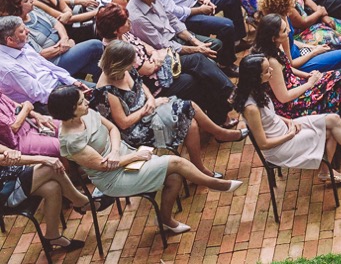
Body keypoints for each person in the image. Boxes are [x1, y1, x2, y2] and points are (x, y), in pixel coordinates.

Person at [49, 85, 241, 235]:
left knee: (174, 177)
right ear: (71, 110)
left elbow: (113, 129)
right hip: (113, 177)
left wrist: (116, 151)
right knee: (175, 162)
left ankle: (166, 220)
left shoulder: (86, 113)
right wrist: (133, 156)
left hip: (124, 155)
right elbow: (103, 165)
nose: (86, 104)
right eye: (81, 102)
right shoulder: (72, 141)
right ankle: (216, 184)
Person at [91, 41, 243, 176]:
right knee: (188, 107)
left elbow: (141, 85)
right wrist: (148, 107)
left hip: (150, 108)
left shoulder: (124, 69)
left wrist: (151, 99)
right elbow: (123, 123)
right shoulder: (107, 90)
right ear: (119, 63)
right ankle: (219, 136)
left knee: (192, 123)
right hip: (136, 128)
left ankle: (200, 167)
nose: (134, 64)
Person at [231, 54, 341, 187]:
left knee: (333, 119)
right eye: (266, 71)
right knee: (330, 131)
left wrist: (288, 121)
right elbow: (263, 144)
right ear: (255, 77)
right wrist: (289, 135)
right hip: (279, 146)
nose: (271, 70)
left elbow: (270, 116)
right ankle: (327, 171)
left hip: (285, 128)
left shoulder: (258, 89)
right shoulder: (250, 108)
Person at [251, 14, 341, 145]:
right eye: (284, 31)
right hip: (294, 104)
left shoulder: (275, 48)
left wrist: (307, 75)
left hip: (300, 86)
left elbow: (288, 68)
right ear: (273, 38)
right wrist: (309, 83)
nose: (289, 31)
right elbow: (284, 98)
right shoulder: (271, 62)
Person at [94, 3, 234, 125]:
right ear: (115, 29)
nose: (129, 22)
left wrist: (155, 54)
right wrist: (158, 57)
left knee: (197, 59)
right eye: (125, 21)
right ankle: (220, 116)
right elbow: (148, 70)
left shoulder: (123, 33)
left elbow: (145, 46)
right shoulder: (116, 50)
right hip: (156, 85)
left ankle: (229, 92)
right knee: (195, 81)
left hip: (162, 68)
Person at [0, 140, 91, 252]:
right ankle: (82, 202)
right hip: (4, 191)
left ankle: (53, 236)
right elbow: (3, 161)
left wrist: (9, 152)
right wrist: (43, 158)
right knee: (50, 167)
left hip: (11, 175)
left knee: (52, 187)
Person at [0, 0, 104, 80]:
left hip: (64, 47)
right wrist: (64, 47)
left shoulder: (33, 10)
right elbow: (40, 54)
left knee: (99, 65)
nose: (32, 1)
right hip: (53, 61)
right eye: (26, 1)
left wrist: (64, 38)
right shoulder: (19, 28)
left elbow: (55, 22)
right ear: (17, 7)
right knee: (95, 45)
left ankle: (104, 88)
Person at [0, 16, 84, 106]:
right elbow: (39, 94)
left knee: (95, 90)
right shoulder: (8, 67)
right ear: (10, 40)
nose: (28, 31)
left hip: (59, 84)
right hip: (47, 102)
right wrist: (72, 96)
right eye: (22, 31)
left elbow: (48, 66)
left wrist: (72, 81)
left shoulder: (22, 45)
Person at [0, 90, 60, 156]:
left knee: (61, 126)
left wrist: (36, 115)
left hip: (27, 122)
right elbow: (13, 127)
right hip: (17, 140)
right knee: (61, 146)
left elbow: (15, 105)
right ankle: (65, 166)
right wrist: (27, 108)